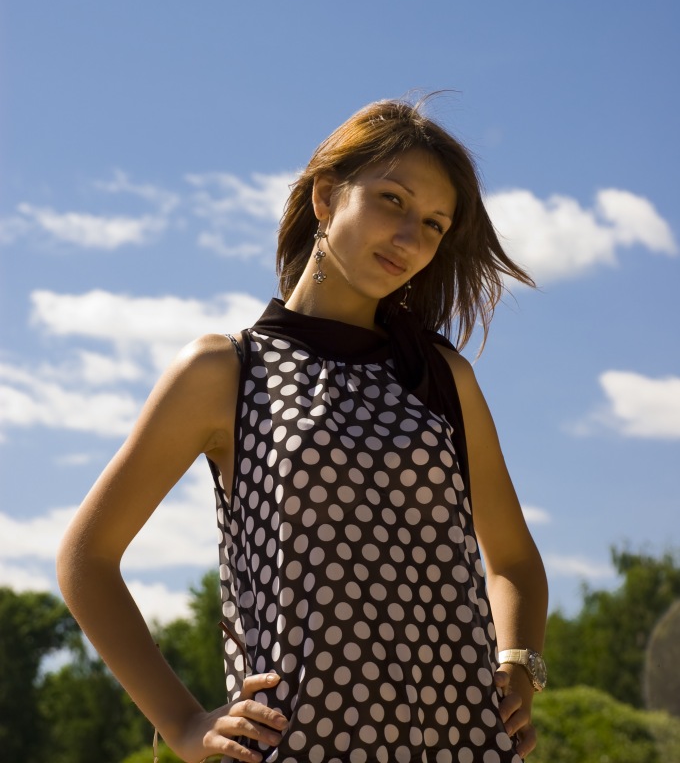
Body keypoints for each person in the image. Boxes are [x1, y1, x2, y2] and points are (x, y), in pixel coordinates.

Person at [58, 97, 549, 763]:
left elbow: (514, 561)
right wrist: (183, 723)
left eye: (434, 224)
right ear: (325, 196)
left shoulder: (441, 376)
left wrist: (518, 664)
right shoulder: (226, 370)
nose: (411, 238)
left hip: (464, 742)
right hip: (303, 743)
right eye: (393, 201)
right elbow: (86, 559)